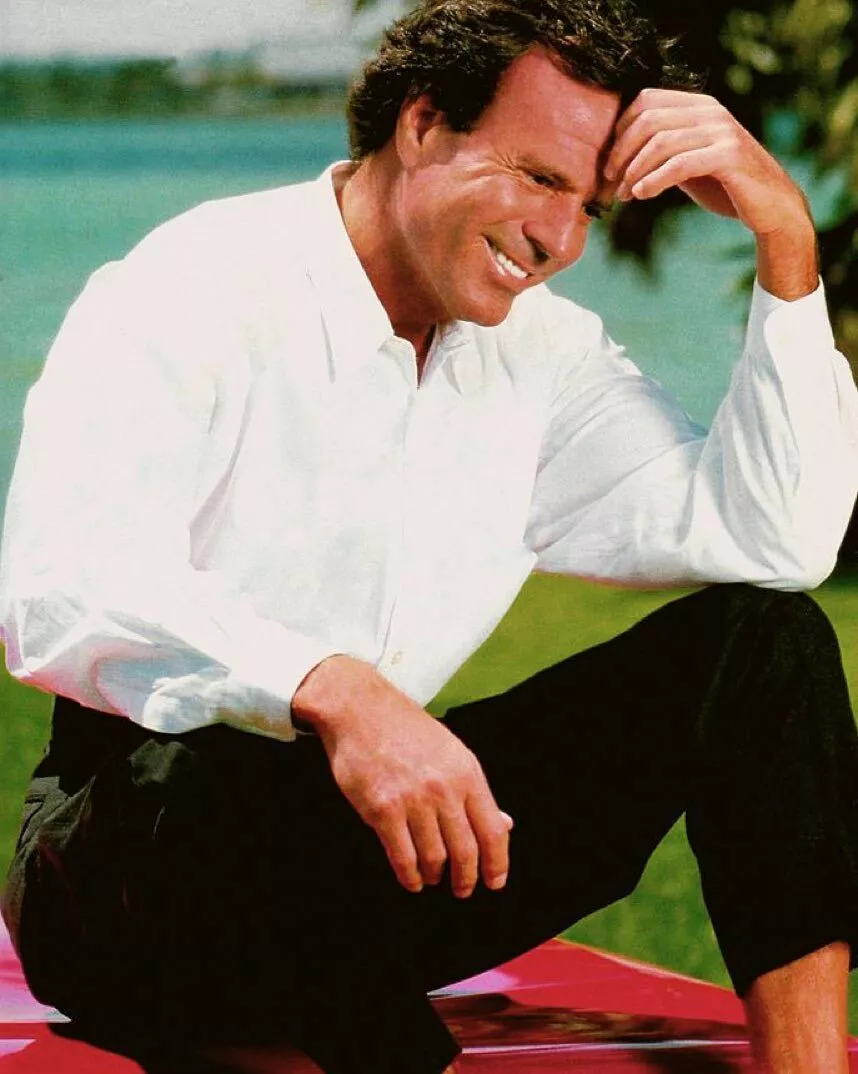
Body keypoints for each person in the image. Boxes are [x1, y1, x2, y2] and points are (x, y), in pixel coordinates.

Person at [2, 0, 858, 1071]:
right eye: (537, 177)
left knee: (765, 646)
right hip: (136, 862)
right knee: (231, 778)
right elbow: (54, 585)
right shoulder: (194, 287)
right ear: (420, 126)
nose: (559, 241)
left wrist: (785, 239)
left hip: (382, 858)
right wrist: (335, 692)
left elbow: (776, 541)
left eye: (588, 206)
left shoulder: (542, 354)